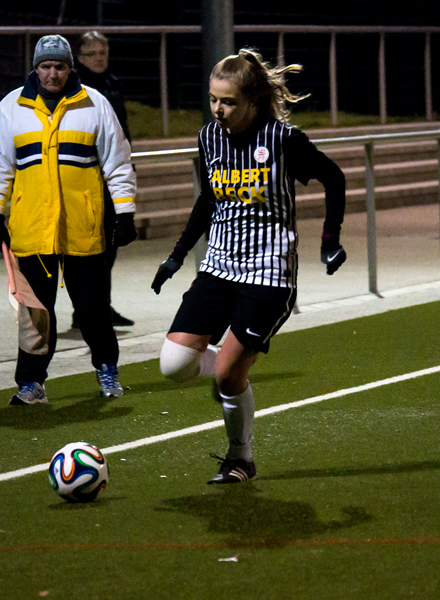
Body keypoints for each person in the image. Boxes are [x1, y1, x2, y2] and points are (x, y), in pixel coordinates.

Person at [150, 48, 347, 483]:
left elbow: (334, 177)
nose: (219, 110)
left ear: (252, 101)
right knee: (173, 365)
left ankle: (241, 457)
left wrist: (329, 241)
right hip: (218, 265)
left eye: (229, 102)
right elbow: (208, 200)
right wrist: (178, 254)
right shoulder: (209, 137)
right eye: (213, 99)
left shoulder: (282, 140)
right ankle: (230, 364)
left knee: (226, 378)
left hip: (269, 272)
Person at [0, 34, 137, 405]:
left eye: (60, 66)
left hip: (83, 227)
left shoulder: (94, 103)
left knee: (93, 308)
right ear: (35, 68)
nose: (53, 74)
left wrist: (125, 213)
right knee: (36, 315)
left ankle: (107, 371)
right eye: (46, 66)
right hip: (32, 228)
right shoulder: (11, 107)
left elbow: (117, 163)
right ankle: (31, 383)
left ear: (71, 68)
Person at [74, 30, 135, 328]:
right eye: (92, 54)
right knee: (93, 248)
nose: (99, 59)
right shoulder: (76, 88)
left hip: (112, 174)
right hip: (89, 176)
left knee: (109, 246)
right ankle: (88, 309)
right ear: (79, 58)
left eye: (103, 53)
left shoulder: (112, 83)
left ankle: (100, 305)